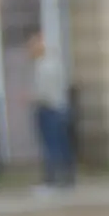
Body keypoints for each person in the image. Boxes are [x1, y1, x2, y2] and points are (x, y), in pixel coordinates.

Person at [29, 34, 74, 190]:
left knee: (51, 146)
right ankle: (67, 180)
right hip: (60, 109)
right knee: (62, 145)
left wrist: (30, 97)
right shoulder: (54, 64)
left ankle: (52, 181)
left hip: (50, 110)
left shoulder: (43, 66)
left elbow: (44, 94)